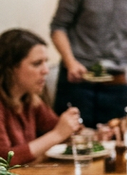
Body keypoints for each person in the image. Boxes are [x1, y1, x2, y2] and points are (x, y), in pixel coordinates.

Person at [0, 29, 83, 164]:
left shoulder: (30, 99)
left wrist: (98, 134)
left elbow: (63, 131)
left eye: (45, 62)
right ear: (11, 67)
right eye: (37, 63)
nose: (46, 70)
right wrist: (57, 134)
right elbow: (3, 162)